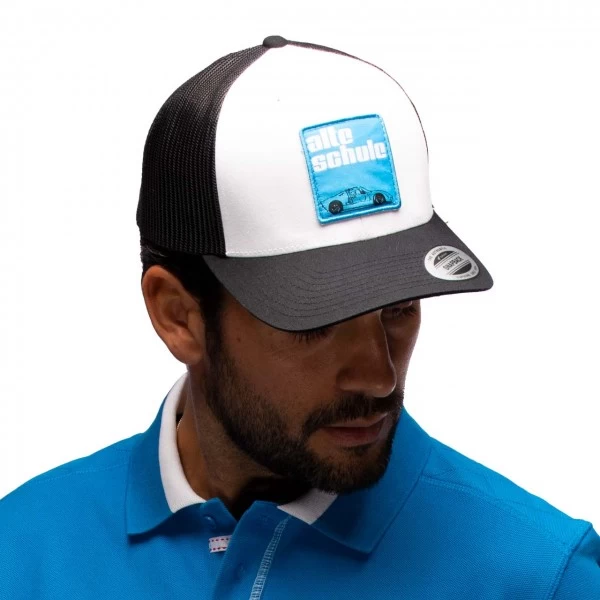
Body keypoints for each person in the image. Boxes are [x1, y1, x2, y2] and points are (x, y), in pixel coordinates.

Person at [1, 35, 598, 599]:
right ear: (178, 316)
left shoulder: (540, 577)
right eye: (316, 322)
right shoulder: (22, 555)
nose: (379, 377)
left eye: (398, 308)